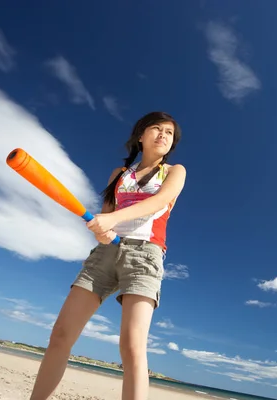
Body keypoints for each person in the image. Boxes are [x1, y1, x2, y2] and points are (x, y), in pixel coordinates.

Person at [29, 111, 186, 400]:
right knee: (61, 335)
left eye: (169, 132)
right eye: (156, 128)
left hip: (145, 256)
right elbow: (105, 217)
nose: (163, 135)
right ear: (141, 135)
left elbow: (159, 202)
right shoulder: (119, 175)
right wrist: (101, 229)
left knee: (131, 345)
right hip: (104, 254)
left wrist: (111, 221)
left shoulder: (175, 171)